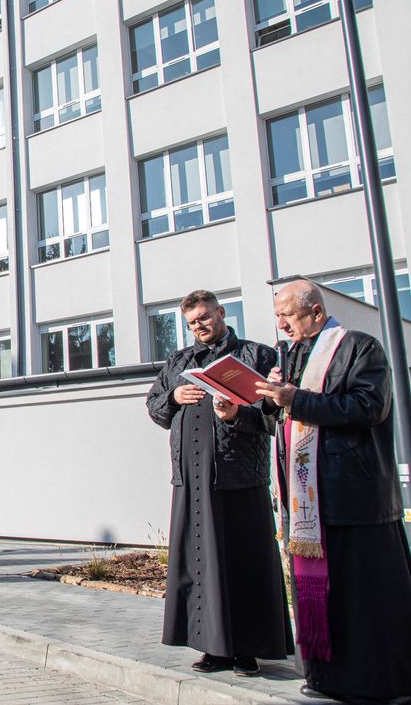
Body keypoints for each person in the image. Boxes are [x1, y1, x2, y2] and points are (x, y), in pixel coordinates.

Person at [256, 279, 411, 701]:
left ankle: (376, 684)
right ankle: (326, 678)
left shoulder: (360, 347)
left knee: (365, 604)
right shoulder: (293, 356)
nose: (281, 325)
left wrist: (295, 398)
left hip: (356, 501)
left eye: (287, 315)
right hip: (311, 504)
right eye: (278, 317)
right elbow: (287, 422)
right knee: (326, 599)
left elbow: (368, 407)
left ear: (316, 313)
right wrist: (271, 400)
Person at [145, 290, 293, 675]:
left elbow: (274, 414)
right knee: (199, 566)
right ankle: (211, 647)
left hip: (239, 477)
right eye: (193, 321)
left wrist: (234, 415)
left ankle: (247, 649)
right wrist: (175, 395)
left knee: (242, 561)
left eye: (206, 317)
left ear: (221, 312)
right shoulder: (179, 361)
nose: (200, 326)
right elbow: (154, 407)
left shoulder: (255, 355)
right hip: (191, 480)